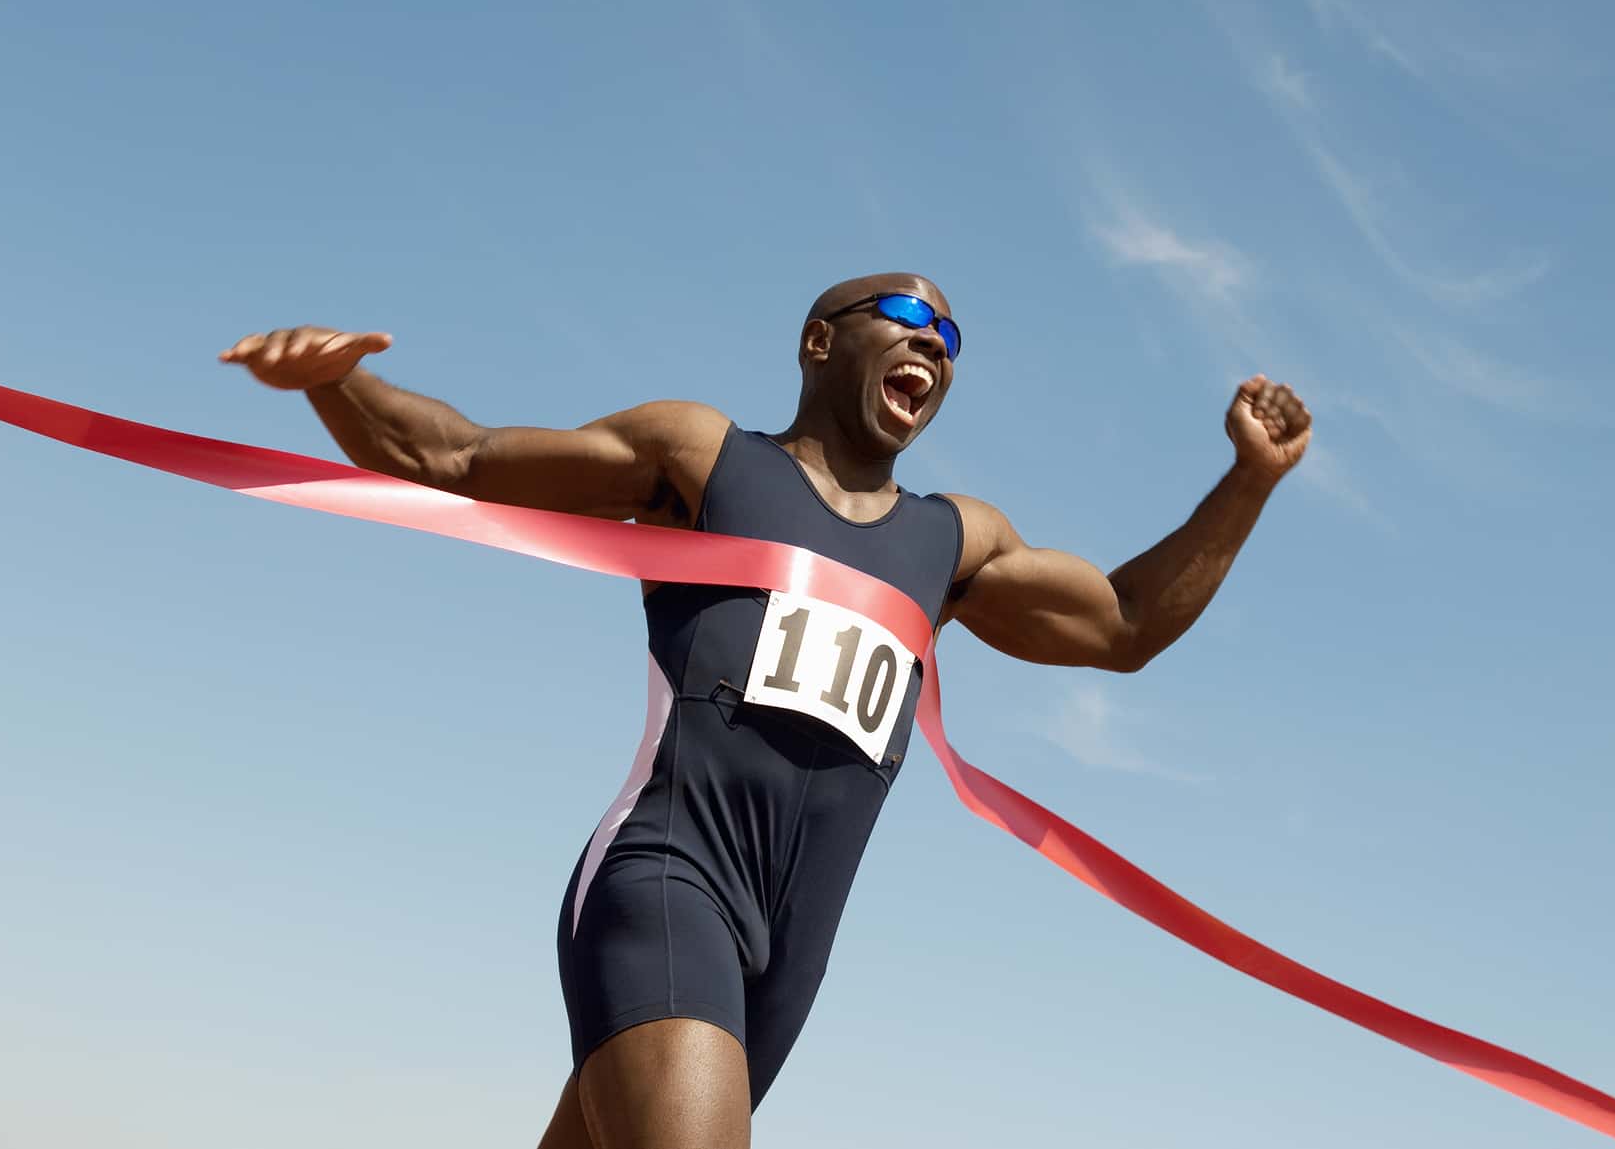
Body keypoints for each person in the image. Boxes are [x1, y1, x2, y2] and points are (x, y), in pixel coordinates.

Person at [219, 273, 1311, 1149]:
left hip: (787, 955)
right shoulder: (703, 458)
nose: (932, 340)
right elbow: (456, 456)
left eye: (950, 335)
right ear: (819, 341)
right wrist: (334, 386)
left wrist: (1247, 484)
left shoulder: (955, 542)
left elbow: (1119, 625)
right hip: (667, 877)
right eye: (905, 315)